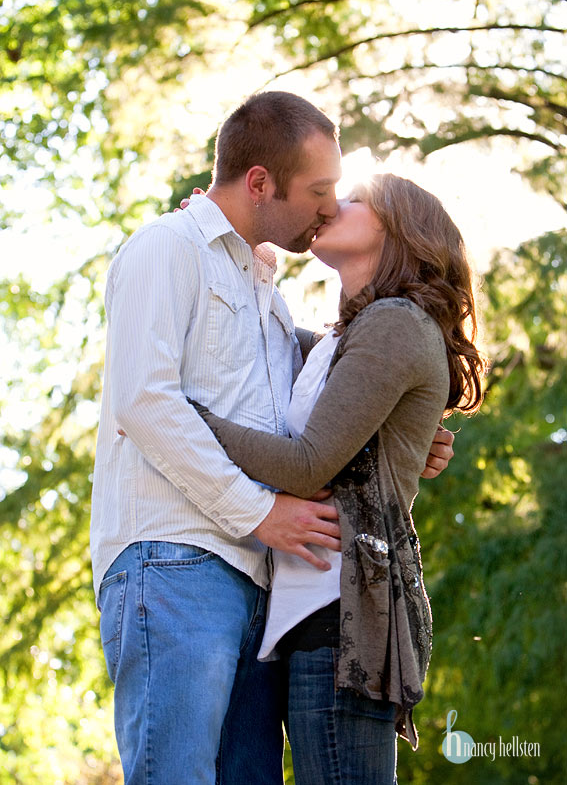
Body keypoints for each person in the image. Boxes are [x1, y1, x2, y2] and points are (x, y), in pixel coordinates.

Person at [91, 91, 454, 784]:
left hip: (254, 574)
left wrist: (409, 419)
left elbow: (326, 379)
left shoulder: (265, 290)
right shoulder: (167, 248)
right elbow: (143, 400)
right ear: (259, 181)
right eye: (319, 191)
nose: (326, 206)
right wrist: (260, 510)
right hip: (176, 554)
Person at [188, 172, 485, 785]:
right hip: (314, 618)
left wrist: (186, 420)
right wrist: (230, 242)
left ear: (397, 230)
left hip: (344, 621)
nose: (331, 206)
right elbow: (266, 345)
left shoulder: (397, 323)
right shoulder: (342, 340)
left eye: (354, 201)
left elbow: (307, 464)